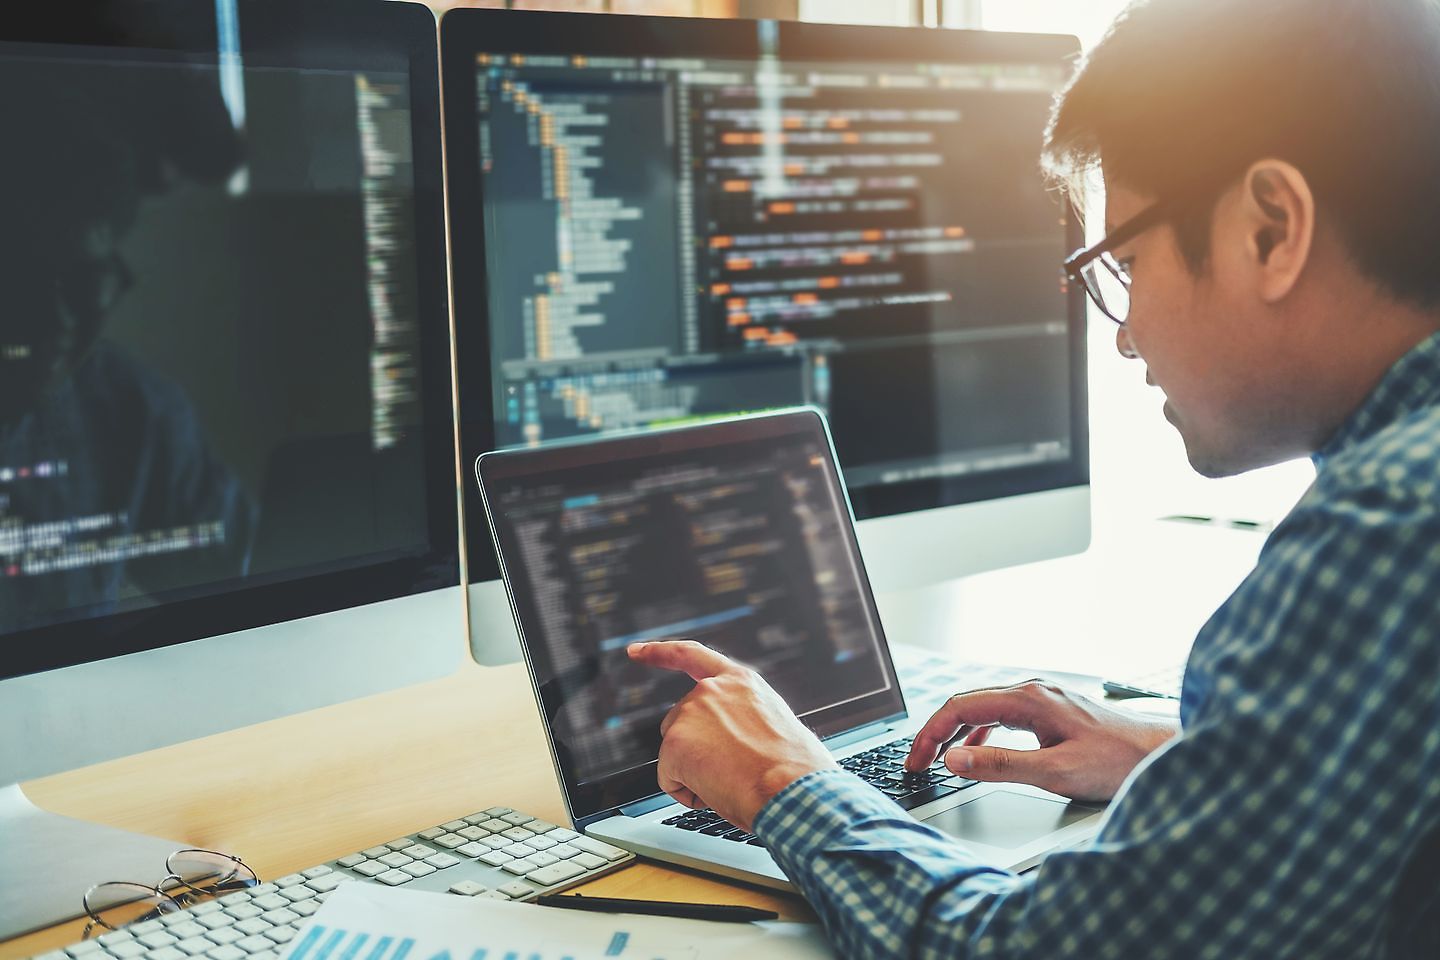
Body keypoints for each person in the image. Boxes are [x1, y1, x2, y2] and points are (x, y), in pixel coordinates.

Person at [629, 0, 1440, 956]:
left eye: (1126, 263)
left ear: (1271, 228)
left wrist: (782, 783)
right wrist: (1197, 765)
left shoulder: (1387, 529)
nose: (1128, 335)